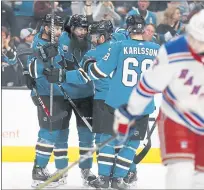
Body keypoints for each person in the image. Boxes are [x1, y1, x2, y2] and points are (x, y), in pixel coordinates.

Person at [113, 10, 204, 189]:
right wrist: (130, 112)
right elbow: (148, 85)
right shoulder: (173, 51)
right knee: (180, 174)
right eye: (194, 38)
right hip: (177, 119)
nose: (196, 45)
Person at [79, 15, 160, 189]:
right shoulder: (156, 49)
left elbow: (99, 72)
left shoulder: (119, 46)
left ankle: (104, 179)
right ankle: (118, 179)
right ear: (144, 29)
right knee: (131, 144)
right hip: (143, 106)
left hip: (117, 103)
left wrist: (87, 66)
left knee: (108, 140)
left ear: (128, 29)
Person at [27, 14, 71, 188]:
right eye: (55, 28)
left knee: (61, 134)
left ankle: (60, 172)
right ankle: (39, 171)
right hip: (46, 92)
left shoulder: (58, 41)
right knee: (49, 131)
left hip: (59, 93)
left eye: (60, 28)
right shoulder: (39, 43)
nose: (58, 31)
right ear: (46, 27)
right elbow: (33, 70)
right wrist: (44, 56)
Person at [53, 14, 96, 185]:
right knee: (60, 134)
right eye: (79, 28)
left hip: (86, 95)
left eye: (85, 29)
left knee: (86, 136)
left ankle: (86, 170)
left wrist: (64, 76)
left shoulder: (92, 44)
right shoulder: (60, 39)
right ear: (71, 28)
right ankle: (61, 170)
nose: (82, 32)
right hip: (62, 94)